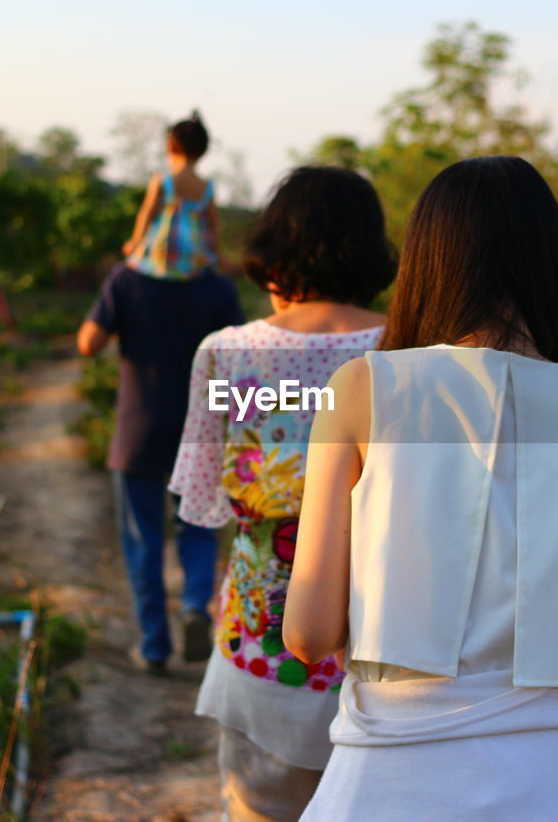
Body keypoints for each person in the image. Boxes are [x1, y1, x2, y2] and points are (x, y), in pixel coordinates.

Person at [284, 156, 558, 821]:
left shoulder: (363, 391)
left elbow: (308, 631)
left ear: (426, 263)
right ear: (550, 267)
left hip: (387, 786)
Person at [169, 167, 396, 821]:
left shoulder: (229, 356)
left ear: (276, 254)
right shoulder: (406, 349)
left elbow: (210, 500)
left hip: (260, 640)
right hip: (387, 650)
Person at [77, 116, 243, 673]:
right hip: (200, 430)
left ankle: (153, 647)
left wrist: (125, 266)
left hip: (138, 430)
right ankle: (197, 603)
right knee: (198, 526)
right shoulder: (216, 288)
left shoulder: (126, 280)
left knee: (143, 542)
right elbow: (239, 357)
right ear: (204, 148)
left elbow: (87, 344)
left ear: (170, 147)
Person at [123, 111, 220, 280]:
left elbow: (147, 213)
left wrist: (135, 241)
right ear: (203, 151)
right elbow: (213, 224)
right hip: (194, 261)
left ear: (171, 146)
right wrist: (220, 256)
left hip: (160, 257)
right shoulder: (207, 188)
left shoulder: (162, 181)